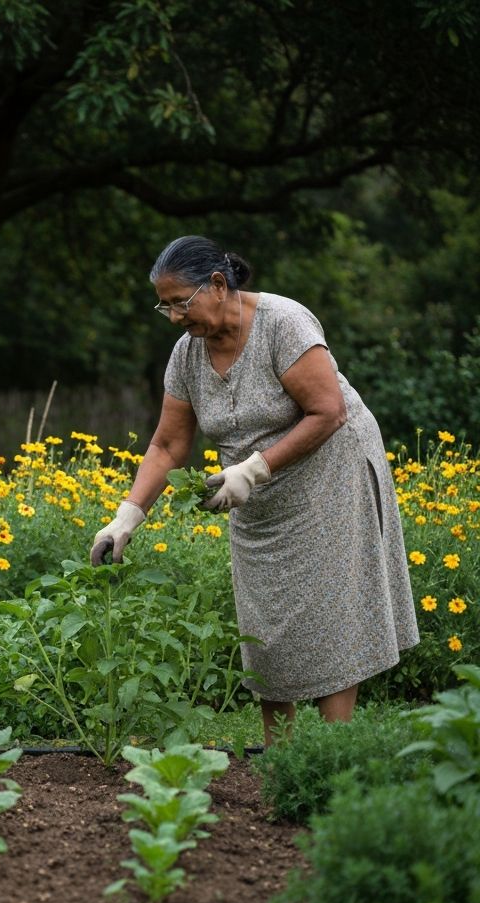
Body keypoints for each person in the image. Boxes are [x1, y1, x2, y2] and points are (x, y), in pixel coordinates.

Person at [89, 235, 419, 746]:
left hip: (331, 471)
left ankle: (331, 758)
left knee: (335, 612)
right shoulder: (188, 355)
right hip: (259, 500)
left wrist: (253, 469)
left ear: (218, 285)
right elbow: (168, 444)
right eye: (166, 306)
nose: (175, 316)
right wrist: (127, 515)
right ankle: (280, 755)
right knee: (264, 623)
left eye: (182, 302)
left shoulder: (283, 324)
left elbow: (328, 411)